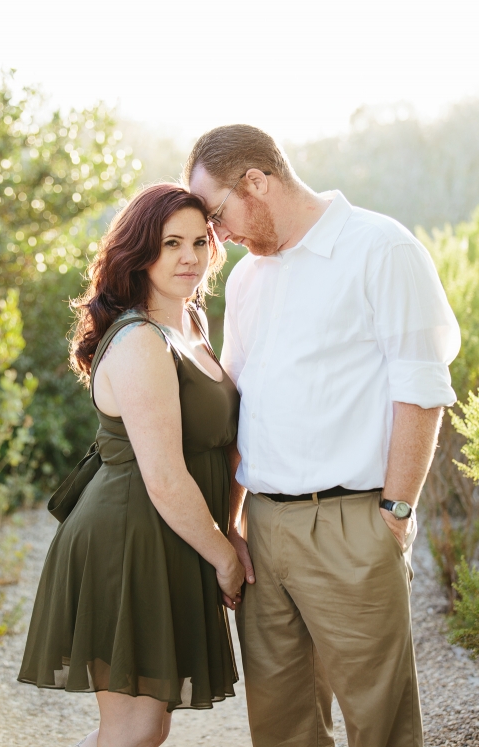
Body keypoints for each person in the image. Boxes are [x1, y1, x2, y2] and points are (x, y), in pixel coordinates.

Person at [185, 124, 461, 747]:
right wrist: (232, 522)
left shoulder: (381, 248)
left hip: (352, 524)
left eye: (217, 214)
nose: (216, 236)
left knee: (379, 726)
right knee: (282, 728)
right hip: (265, 532)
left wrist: (393, 514)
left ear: (256, 182)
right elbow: (239, 405)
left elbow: (420, 389)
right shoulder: (248, 280)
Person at [18, 184, 246, 747]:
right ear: (140, 251)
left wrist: (227, 529)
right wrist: (225, 556)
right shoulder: (142, 340)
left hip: (171, 538)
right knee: (134, 728)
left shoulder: (191, 324)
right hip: (128, 540)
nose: (189, 257)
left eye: (199, 241)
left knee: (152, 724)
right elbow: (165, 477)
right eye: (171, 243)